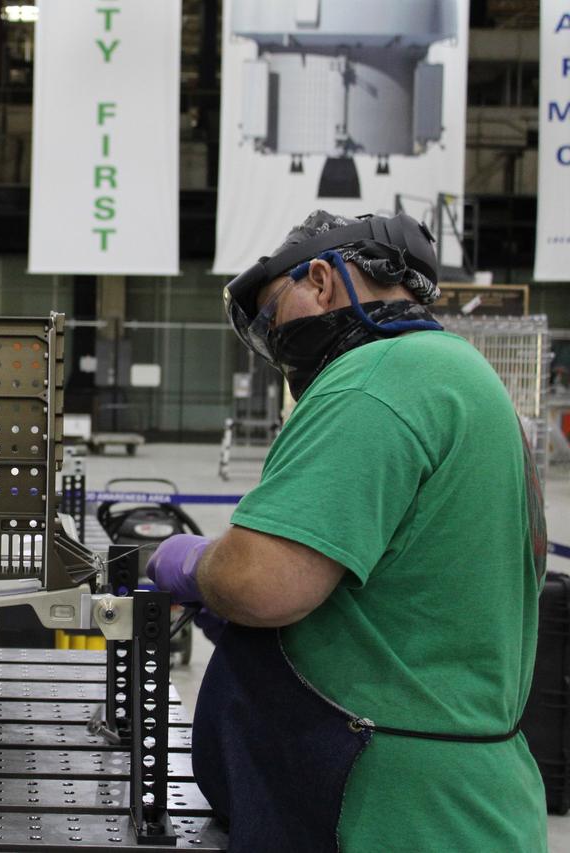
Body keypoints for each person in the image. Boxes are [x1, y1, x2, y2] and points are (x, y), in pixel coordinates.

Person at [146, 211, 548, 851]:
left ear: (324, 283)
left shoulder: (373, 380)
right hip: (466, 795)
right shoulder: (462, 377)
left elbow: (261, 583)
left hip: (387, 810)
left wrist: (193, 565)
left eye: (273, 313)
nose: (276, 342)